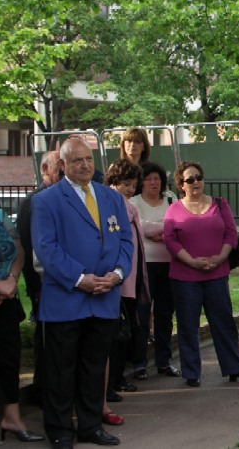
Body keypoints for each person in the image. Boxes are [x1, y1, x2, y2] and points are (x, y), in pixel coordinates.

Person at [32, 138, 133, 449]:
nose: (86, 165)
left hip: (104, 298)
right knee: (61, 370)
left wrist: (116, 275)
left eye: (89, 159)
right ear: (63, 165)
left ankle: (90, 426)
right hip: (66, 300)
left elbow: (126, 242)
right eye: (77, 160)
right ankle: (61, 430)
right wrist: (79, 279)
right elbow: (46, 249)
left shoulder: (110, 198)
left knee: (93, 368)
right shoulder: (46, 200)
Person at [163, 161, 239, 388]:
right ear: (181, 185)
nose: (196, 182)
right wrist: (192, 262)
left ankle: (235, 368)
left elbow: (231, 233)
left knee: (224, 322)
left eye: (198, 177)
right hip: (185, 277)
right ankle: (192, 373)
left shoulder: (220, 204)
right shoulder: (173, 210)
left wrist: (220, 257)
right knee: (188, 325)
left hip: (217, 273)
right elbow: (169, 240)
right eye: (190, 179)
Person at [104, 160, 150, 414]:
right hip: (119, 281)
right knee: (116, 335)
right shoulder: (111, 206)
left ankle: (117, 379)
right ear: (113, 183)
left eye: (133, 184)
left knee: (124, 332)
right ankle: (110, 383)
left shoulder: (129, 207)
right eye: (125, 184)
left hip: (131, 279)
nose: (130, 189)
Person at [15, 150, 61, 405]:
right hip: (42, 284)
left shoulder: (61, 198)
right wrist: (34, 287)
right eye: (59, 168)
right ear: (45, 168)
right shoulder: (33, 201)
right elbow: (26, 244)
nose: (63, 173)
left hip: (61, 283)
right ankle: (42, 390)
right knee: (44, 338)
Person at [129, 161, 181, 380]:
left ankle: (164, 361)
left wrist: (158, 230)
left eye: (156, 179)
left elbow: (178, 225)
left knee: (165, 315)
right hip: (144, 265)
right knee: (142, 314)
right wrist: (163, 228)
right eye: (148, 178)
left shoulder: (171, 199)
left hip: (169, 263)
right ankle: (139, 364)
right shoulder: (134, 202)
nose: (153, 182)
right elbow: (141, 227)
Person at [0, 203, 44, 443]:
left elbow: (19, 251)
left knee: (8, 359)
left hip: (5, 298)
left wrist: (12, 279)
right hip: (2, 290)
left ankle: (12, 419)